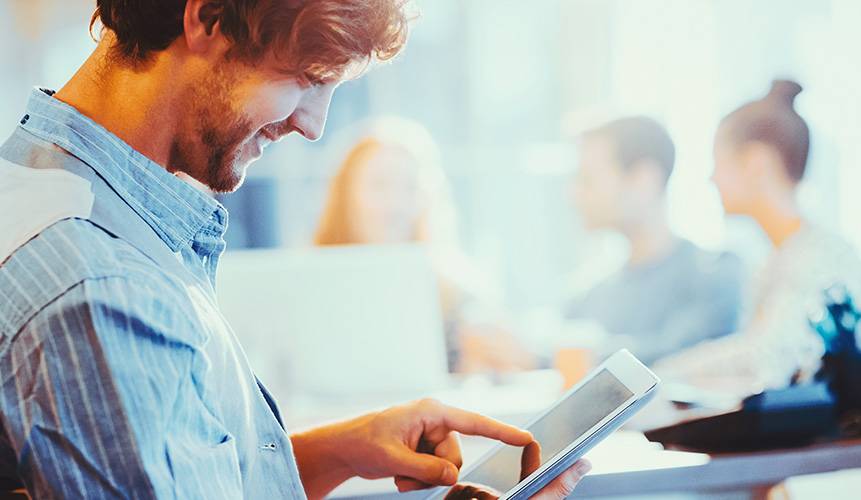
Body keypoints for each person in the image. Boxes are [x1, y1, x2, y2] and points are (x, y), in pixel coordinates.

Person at [0, 1, 587, 498]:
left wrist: (338, 451)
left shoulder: (51, 188)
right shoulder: (102, 289)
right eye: (308, 78)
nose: (314, 126)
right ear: (207, 19)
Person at [656, 80, 861, 395]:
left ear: (756, 163)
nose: (711, 178)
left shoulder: (820, 258)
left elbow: (768, 357)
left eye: (718, 162)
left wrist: (658, 376)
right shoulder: (775, 260)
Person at [314, 119, 536, 373]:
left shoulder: (458, 295)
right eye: (379, 185)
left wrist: (500, 359)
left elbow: (503, 368)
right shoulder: (311, 288)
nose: (394, 205)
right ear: (345, 196)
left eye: (410, 188)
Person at [565, 116, 744, 366]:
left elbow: (678, 355)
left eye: (587, 180)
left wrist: (560, 358)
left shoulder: (712, 276)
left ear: (644, 180)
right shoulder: (591, 296)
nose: (573, 194)